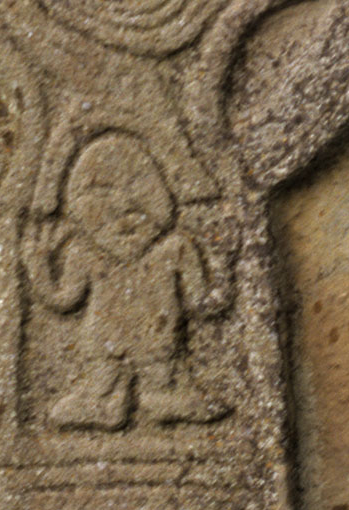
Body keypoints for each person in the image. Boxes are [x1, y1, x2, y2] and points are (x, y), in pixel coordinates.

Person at [23, 130, 230, 429]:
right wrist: (38, 265)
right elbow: (64, 299)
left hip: (157, 344)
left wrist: (223, 264)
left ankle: (161, 398)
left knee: (161, 383)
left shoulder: (174, 249)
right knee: (101, 382)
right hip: (104, 346)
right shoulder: (84, 253)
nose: (123, 206)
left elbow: (201, 302)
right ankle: (103, 403)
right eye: (101, 193)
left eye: (137, 186)